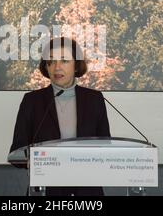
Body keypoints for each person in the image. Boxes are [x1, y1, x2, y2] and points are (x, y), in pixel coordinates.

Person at [9, 36, 111, 196]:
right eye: (51, 62)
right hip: (46, 192)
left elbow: (105, 147)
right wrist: (32, 161)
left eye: (64, 61)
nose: (57, 67)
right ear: (46, 67)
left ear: (76, 66)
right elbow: (17, 152)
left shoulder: (94, 99)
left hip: (87, 193)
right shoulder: (32, 101)